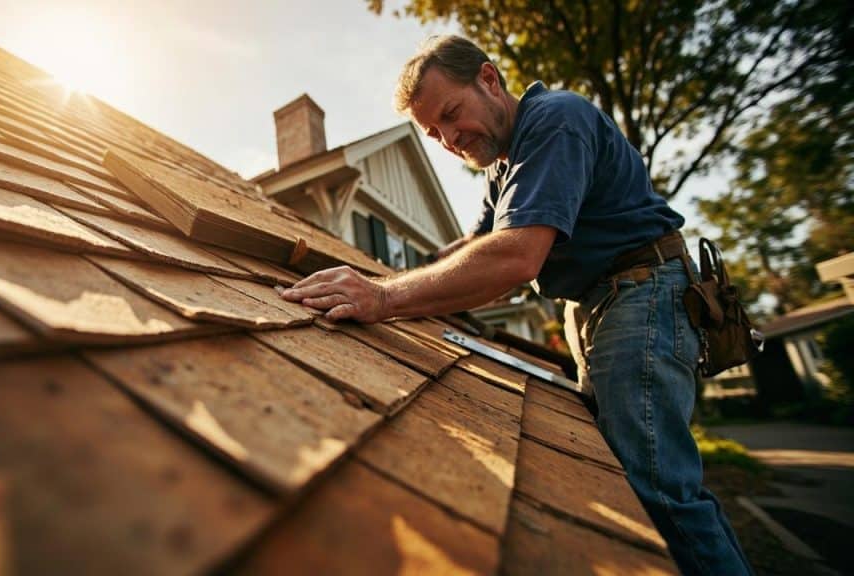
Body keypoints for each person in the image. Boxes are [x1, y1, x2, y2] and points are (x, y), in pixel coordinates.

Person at [279, 35, 752, 575]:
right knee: (622, 477)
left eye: (452, 115)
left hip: (643, 293)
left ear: (488, 79)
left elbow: (515, 258)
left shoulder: (555, 121)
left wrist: (383, 296)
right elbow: (470, 250)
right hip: (600, 304)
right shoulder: (503, 168)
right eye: (435, 133)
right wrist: (372, 271)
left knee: (659, 492)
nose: (451, 138)